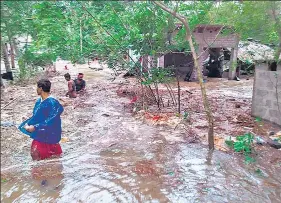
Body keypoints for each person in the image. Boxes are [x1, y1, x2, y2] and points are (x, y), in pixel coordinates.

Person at [18, 79, 64, 160]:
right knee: (37, 159)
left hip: (50, 137)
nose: (36, 89)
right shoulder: (39, 101)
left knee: (53, 163)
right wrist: (29, 120)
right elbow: (38, 116)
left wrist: (35, 127)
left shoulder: (53, 103)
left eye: (37, 87)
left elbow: (52, 120)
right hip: (40, 135)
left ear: (41, 88)